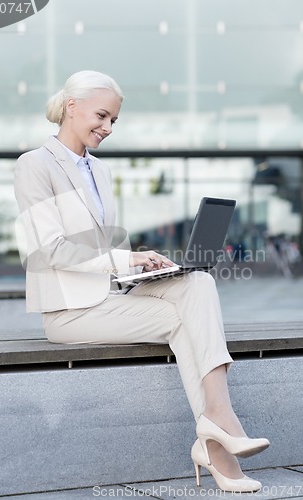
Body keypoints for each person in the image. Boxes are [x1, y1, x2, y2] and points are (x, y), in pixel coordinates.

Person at [14, 70, 270, 493]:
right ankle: (218, 437)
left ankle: (217, 427)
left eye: (114, 120)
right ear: (71, 106)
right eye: (101, 116)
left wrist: (142, 266)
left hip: (110, 297)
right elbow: (46, 250)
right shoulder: (35, 165)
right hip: (69, 313)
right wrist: (124, 258)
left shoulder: (101, 172)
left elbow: (109, 250)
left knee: (197, 284)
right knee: (182, 318)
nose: (108, 128)